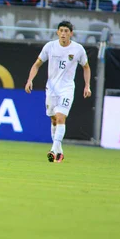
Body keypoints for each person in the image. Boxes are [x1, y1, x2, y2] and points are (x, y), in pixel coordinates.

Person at [25, 21, 91, 163]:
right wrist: (30, 80)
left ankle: (53, 150)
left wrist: (87, 85)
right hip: (51, 88)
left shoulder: (78, 49)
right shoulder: (50, 46)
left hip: (67, 89)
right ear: (57, 32)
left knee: (61, 117)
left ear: (71, 33)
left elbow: (86, 67)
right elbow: (37, 64)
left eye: (66, 31)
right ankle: (59, 151)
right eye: (61, 30)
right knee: (54, 119)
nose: (63, 33)